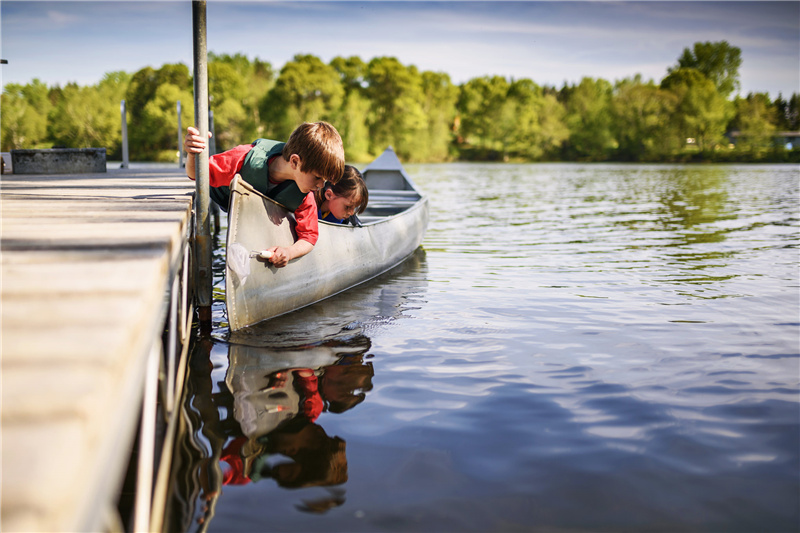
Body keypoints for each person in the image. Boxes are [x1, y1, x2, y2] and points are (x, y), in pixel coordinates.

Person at [183, 122, 345, 267]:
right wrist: (193, 153)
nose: (321, 186)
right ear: (295, 162)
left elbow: (309, 237)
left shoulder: (305, 195)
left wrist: (288, 252)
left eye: (324, 181)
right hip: (225, 196)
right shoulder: (243, 157)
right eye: (318, 178)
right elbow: (196, 174)